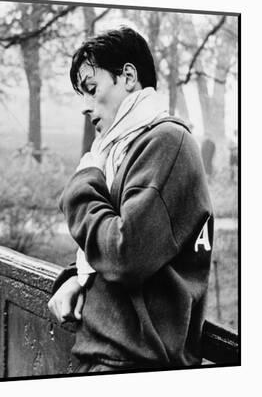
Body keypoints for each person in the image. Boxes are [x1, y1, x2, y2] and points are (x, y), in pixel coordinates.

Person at [48, 27, 213, 372]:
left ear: (128, 76)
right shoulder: (127, 148)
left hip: (134, 362)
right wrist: (77, 277)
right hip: (110, 354)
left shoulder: (166, 142)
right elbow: (124, 233)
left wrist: (82, 184)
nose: (86, 107)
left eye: (92, 89)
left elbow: (125, 253)